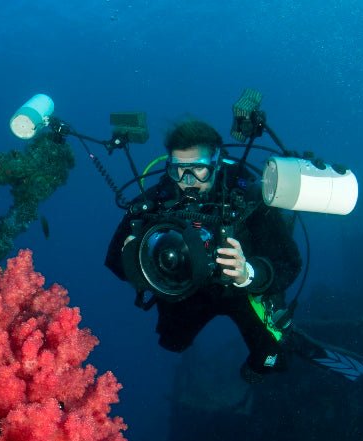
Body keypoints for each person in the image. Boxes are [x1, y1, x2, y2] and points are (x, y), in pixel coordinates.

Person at [105, 118, 303, 383]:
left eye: (199, 169)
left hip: (242, 291)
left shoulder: (249, 197)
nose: (188, 181)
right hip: (188, 290)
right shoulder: (157, 201)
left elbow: (289, 260)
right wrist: (133, 259)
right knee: (172, 343)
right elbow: (114, 258)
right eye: (178, 170)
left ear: (217, 163)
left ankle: (261, 366)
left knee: (271, 358)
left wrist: (249, 273)